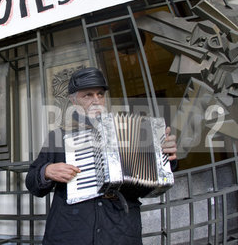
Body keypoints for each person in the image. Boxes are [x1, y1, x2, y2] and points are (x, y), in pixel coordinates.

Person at [25, 67, 177, 245]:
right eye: (87, 95)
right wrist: (46, 171)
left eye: (100, 94)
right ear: (73, 101)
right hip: (71, 231)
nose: (96, 100)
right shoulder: (57, 137)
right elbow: (32, 183)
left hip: (119, 231)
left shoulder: (129, 131)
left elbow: (147, 183)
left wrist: (166, 157)